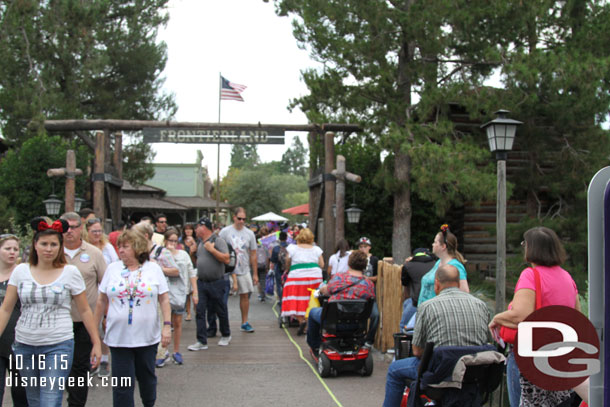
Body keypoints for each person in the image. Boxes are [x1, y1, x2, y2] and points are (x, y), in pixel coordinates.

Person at [0, 218, 101, 407]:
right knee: (34, 398)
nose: (49, 248)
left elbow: (85, 309)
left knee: (50, 398)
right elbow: (6, 309)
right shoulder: (21, 271)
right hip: (24, 345)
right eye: (44, 244)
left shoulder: (70, 272)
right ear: (35, 245)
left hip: (58, 344)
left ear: (60, 247)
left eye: (54, 244)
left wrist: (96, 342)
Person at [489, 227, 580, 407]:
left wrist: (497, 318)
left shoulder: (530, 275)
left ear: (531, 248)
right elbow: (576, 316)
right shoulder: (567, 277)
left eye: (524, 244)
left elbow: (521, 316)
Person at [383, 264, 490, 407]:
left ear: (437, 284)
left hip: (439, 372)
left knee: (395, 370)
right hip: (472, 372)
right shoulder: (480, 305)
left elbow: (417, 351)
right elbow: (487, 341)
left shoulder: (427, 306)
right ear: (459, 283)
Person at [93, 228, 171, 407]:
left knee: (147, 378)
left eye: (125, 247)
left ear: (137, 248)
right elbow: (101, 300)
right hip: (118, 338)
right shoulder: (112, 269)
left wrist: (167, 325)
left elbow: (164, 298)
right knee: (122, 384)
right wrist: (94, 330)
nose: (120, 250)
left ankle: (149, 403)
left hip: (146, 337)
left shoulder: (153, 269)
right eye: (119, 247)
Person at [60, 212, 108, 403]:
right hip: (58, 321)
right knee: (59, 367)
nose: (70, 231)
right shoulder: (52, 250)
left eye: (74, 226)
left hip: (85, 321)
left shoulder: (94, 253)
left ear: (82, 228)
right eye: (66, 227)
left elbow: (104, 287)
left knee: (80, 369)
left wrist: (106, 316)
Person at [306, 250, 376, 354]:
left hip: (333, 321)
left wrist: (321, 289)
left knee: (312, 312)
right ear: (365, 266)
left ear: (349, 263)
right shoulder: (369, 284)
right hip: (357, 324)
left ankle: (315, 345)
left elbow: (326, 291)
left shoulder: (339, 278)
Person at [133, 222, 179, 368]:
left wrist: (158, 268)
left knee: (156, 323)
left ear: (145, 235)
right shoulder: (135, 252)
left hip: (157, 294)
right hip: (139, 295)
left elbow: (175, 270)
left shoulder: (161, 252)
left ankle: (160, 352)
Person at [188, 217, 232, 351]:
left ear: (204, 227)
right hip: (202, 282)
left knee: (220, 310)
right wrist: (192, 253)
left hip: (216, 282)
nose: (195, 230)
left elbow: (226, 258)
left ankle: (226, 334)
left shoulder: (218, 241)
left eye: (197, 227)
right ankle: (201, 340)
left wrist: (212, 250)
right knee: (200, 311)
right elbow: (198, 262)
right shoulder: (200, 243)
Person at [219, 207, 258, 333]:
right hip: (227, 268)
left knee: (245, 295)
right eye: (239, 218)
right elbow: (219, 248)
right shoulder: (225, 232)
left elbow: (253, 253)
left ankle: (244, 321)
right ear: (234, 217)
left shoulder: (249, 234)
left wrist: (255, 273)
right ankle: (222, 323)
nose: (241, 221)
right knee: (222, 297)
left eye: (244, 219)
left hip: (243, 268)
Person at [163, 228, 198, 365]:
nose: (172, 243)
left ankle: (176, 351)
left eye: (174, 240)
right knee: (164, 323)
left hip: (179, 292)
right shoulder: (161, 254)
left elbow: (191, 272)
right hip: (164, 293)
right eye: (169, 240)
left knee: (177, 322)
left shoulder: (183, 255)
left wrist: (195, 291)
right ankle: (163, 350)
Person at [0, 234, 28, 406]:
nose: (12, 252)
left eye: (15, 249)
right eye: (7, 248)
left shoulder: (23, 275)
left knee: (21, 392)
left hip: (19, 341)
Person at [280, 228, 324, 335]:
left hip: (297, 277)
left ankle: (301, 322)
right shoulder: (316, 249)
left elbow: (287, 262)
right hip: (314, 277)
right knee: (312, 300)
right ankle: (309, 323)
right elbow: (322, 264)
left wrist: (289, 268)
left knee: (296, 299)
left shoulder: (292, 248)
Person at [417, 224, 469, 306]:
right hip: (425, 310)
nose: (432, 244)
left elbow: (465, 292)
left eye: (435, 242)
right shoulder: (439, 262)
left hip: (438, 312)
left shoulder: (455, 266)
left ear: (443, 246)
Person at [399, 248, 436, 332]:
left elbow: (404, 282)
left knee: (404, 326)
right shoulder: (435, 264)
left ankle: (405, 344)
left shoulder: (408, 266)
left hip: (416, 301)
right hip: (433, 301)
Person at [181, 224, 197, 321]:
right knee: (187, 292)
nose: (188, 231)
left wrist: (193, 243)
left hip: (194, 266)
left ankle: (196, 310)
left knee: (194, 290)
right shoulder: (180, 242)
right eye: (186, 229)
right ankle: (188, 312)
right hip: (185, 268)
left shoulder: (196, 240)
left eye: (190, 229)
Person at [270, 231, 289, 305]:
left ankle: (281, 301)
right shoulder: (290, 247)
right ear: (286, 238)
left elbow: (273, 260)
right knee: (287, 285)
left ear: (279, 238)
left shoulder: (276, 248)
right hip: (288, 269)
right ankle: (287, 300)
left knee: (279, 286)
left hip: (278, 268)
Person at [255, 227, 270, 302]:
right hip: (263, 265)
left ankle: (259, 294)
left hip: (256, 265)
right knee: (263, 280)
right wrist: (267, 266)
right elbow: (267, 257)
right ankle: (263, 295)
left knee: (258, 280)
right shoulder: (265, 246)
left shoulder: (254, 247)